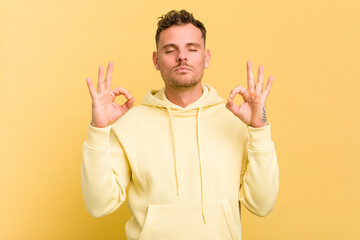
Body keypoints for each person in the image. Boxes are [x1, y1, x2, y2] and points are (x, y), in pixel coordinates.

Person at [81, 9, 279, 240]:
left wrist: (259, 128)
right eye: (170, 50)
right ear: (156, 60)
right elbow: (98, 205)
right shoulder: (129, 124)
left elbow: (262, 205)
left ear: (206, 57)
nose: (182, 57)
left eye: (192, 49)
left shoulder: (235, 121)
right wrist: (98, 130)